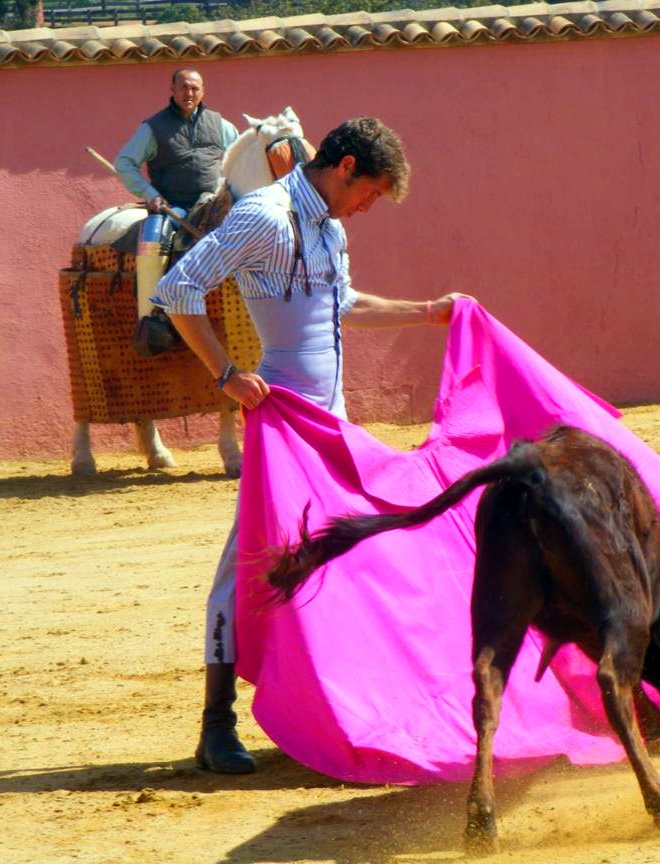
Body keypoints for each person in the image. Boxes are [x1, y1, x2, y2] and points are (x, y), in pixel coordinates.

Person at [151, 116, 466, 774]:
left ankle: (347, 707)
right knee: (250, 563)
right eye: (372, 192)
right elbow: (178, 288)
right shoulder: (264, 216)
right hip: (283, 425)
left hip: (329, 423)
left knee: (348, 562)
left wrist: (426, 310)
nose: (370, 206)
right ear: (345, 166)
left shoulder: (330, 226)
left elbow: (342, 304)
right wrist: (227, 374)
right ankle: (216, 727)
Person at [114, 67, 239, 213]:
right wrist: (150, 194)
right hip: (172, 207)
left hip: (214, 205)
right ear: (173, 89)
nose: (189, 94)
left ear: (203, 91)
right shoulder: (153, 127)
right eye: (183, 87)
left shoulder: (221, 125)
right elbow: (124, 162)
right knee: (154, 234)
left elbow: (242, 159)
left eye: (195, 88)